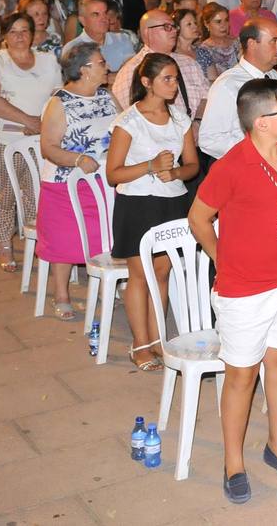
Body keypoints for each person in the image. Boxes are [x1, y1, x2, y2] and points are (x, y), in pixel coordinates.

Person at [188, 79, 277, 503]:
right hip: (243, 289)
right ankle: (233, 462)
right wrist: (222, 258)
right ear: (261, 123)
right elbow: (198, 219)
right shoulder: (231, 166)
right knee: (241, 375)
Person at [106, 52, 199, 371]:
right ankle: (140, 343)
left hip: (171, 201)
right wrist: (149, 167)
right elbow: (113, 174)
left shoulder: (179, 119)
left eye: (176, 79)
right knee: (140, 276)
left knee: (162, 272)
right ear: (147, 82)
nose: (174, 85)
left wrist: (175, 173)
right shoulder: (129, 121)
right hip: (138, 203)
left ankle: (158, 337)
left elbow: (192, 166)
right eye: (167, 79)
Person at [34, 44, 118, 318]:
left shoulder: (107, 97)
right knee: (64, 240)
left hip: (104, 183)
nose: (107, 67)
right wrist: (78, 159)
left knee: (108, 238)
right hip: (66, 183)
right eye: (101, 62)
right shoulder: (60, 102)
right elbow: (49, 147)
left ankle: (107, 288)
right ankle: (61, 295)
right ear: (84, 70)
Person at [0, 13, 62, 270]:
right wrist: (28, 121)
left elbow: (58, 95)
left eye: (24, 30)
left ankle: (36, 240)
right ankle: (5, 245)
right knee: (4, 194)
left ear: (33, 33)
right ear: (4, 35)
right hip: (4, 137)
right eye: (13, 31)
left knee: (36, 194)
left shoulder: (48, 60)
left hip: (41, 138)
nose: (19, 36)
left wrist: (43, 124)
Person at [198, 19, 277, 167]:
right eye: (274, 41)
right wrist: (256, 149)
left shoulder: (274, 77)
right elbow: (210, 140)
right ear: (252, 44)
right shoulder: (228, 85)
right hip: (243, 166)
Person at [111, 9, 210, 120]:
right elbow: (125, 116)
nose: (174, 31)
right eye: (167, 27)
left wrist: (197, 122)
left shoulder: (189, 63)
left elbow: (206, 97)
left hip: (197, 129)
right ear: (147, 32)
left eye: (174, 27)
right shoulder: (132, 70)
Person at [65, 0, 138, 74]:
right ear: (83, 20)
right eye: (96, 14)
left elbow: (132, 72)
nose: (103, 18)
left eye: (105, 13)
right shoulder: (72, 48)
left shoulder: (122, 39)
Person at [196, 2, 241, 82]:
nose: (224, 25)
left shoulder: (237, 42)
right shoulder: (204, 50)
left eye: (226, 20)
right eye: (218, 22)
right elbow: (211, 80)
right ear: (206, 24)